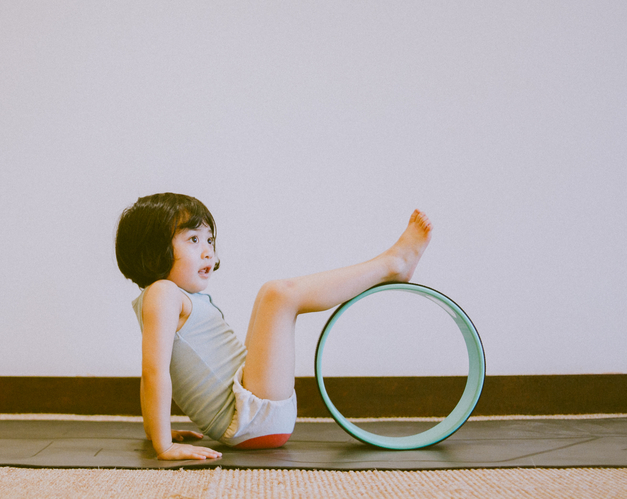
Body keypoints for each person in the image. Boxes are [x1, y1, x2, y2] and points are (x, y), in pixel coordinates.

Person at [115, 193, 432, 461]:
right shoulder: (163, 293)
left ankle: (393, 264)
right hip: (250, 419)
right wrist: (163, 445)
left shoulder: (173, 297)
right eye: (193, 240)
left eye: (209, 239)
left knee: (271, 296)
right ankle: (392, 264)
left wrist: (155, 431)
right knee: (277, 294)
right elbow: (153, 371)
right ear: (152, 251)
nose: (208, 250)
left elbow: (153, 371)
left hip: (252, 410)